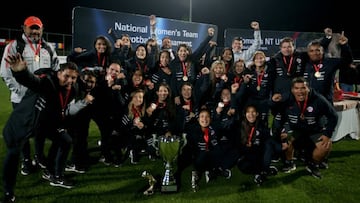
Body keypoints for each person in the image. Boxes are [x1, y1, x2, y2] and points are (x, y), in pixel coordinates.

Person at [1, 57, 84, 201]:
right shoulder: (48, 81)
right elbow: (32, 81)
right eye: (66, 76)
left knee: (65, 141)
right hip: (26, 123)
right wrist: (20, 72)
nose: (70, 80)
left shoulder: (74, 88)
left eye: (73, 78)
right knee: (13, 155)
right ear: (59, 73)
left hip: (48, 124)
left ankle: (54, 174)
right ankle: (8, 193)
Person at [0, 16, 60, 177]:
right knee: (23, 132)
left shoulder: (48, 47)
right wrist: (23, 93)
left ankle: (39, 157)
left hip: (43, 99)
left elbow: (55, 70)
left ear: (42, 30)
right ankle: (26, 160)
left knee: (41, 129)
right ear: (24, 28)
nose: (34, 31)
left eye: (37, 28)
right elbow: (6, 73)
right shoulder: (14, 46)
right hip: (22, 99)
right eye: (31, 28)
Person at [271, 77, 338, 179]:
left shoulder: (318, 99)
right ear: (292, 90)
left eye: (303, 88)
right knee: (284, 136)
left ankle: (313, 164)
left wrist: (327, 134)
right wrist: (281, 131)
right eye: (297, 88)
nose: (300, 91)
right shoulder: (287, 99)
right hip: (296, 130)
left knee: (326, 145)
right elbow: (278, 116)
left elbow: (334, 116)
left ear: (308, 88)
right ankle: (289, 162)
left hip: (315, 131)